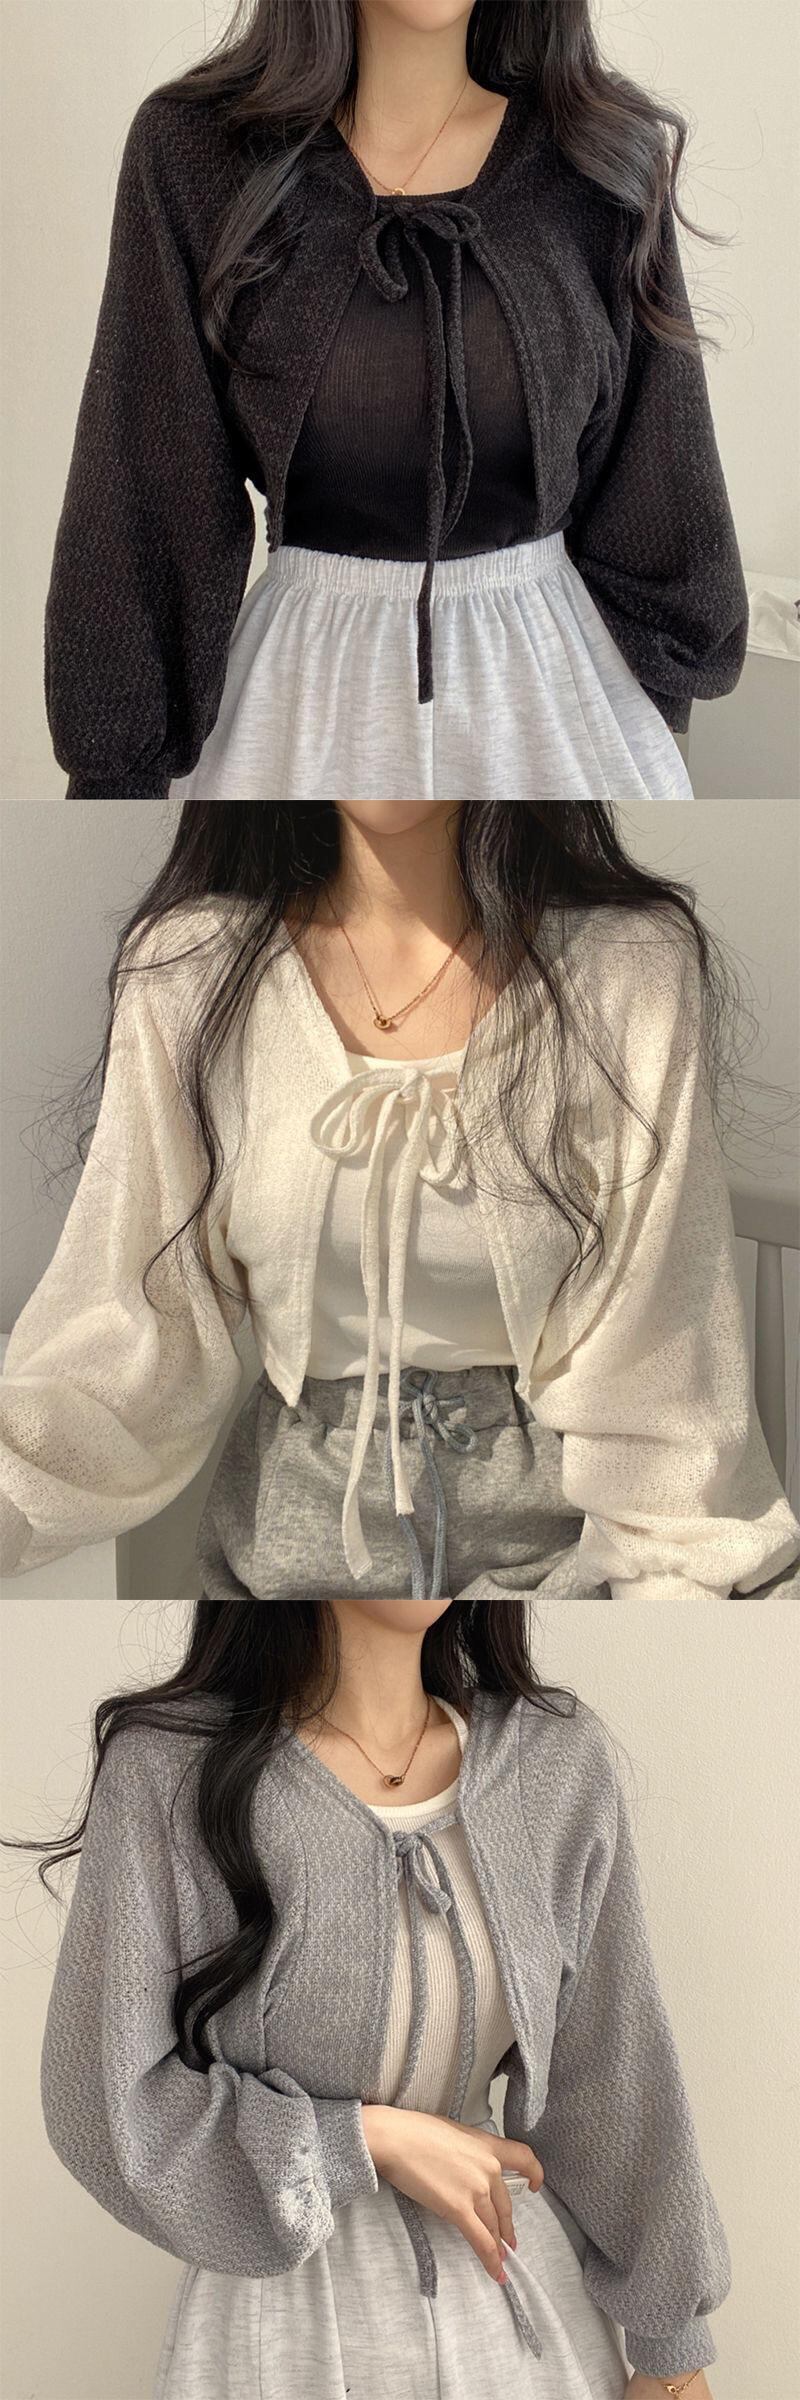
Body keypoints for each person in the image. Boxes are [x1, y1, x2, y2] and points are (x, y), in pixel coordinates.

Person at [1, 801, 798, 1600]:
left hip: (560, 1549)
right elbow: (128, 1332)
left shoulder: (627, 966)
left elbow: (662, 1358)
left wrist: (670, 1607)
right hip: (291, 1548)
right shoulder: (193, 967)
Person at [8, 1596, 728, 2399]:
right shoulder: (172, 1769)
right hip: (281, 2335)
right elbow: (104, 2104)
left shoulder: (553, 1760)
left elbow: (615, 2077)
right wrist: (361, 2139)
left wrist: (672, 2353)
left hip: (519, 2319)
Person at [43, 1, 750, 801]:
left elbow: (659, 488)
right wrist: (115, 791)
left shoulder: (598, 157)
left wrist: (648, 725)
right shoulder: (195, 153)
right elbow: (145, 496)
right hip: (295, 725)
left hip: (562, 722)